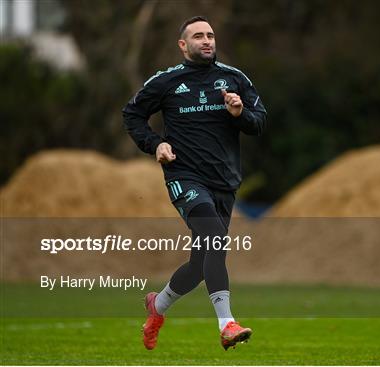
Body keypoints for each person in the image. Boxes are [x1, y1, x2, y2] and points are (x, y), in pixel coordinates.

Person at [122, 15, 267, 351]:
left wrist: (240, 113)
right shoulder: (166, 82)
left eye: (211, 35)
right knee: (215, 239)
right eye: (198, 36)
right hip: (184, 177)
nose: (207, 41)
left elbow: (259, 122)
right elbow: (131, 115)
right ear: (183, 45)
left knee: (200, 265)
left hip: (226, 181)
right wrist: (155, 143)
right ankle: (226, 323)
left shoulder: (234, 79)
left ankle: (157, 307)